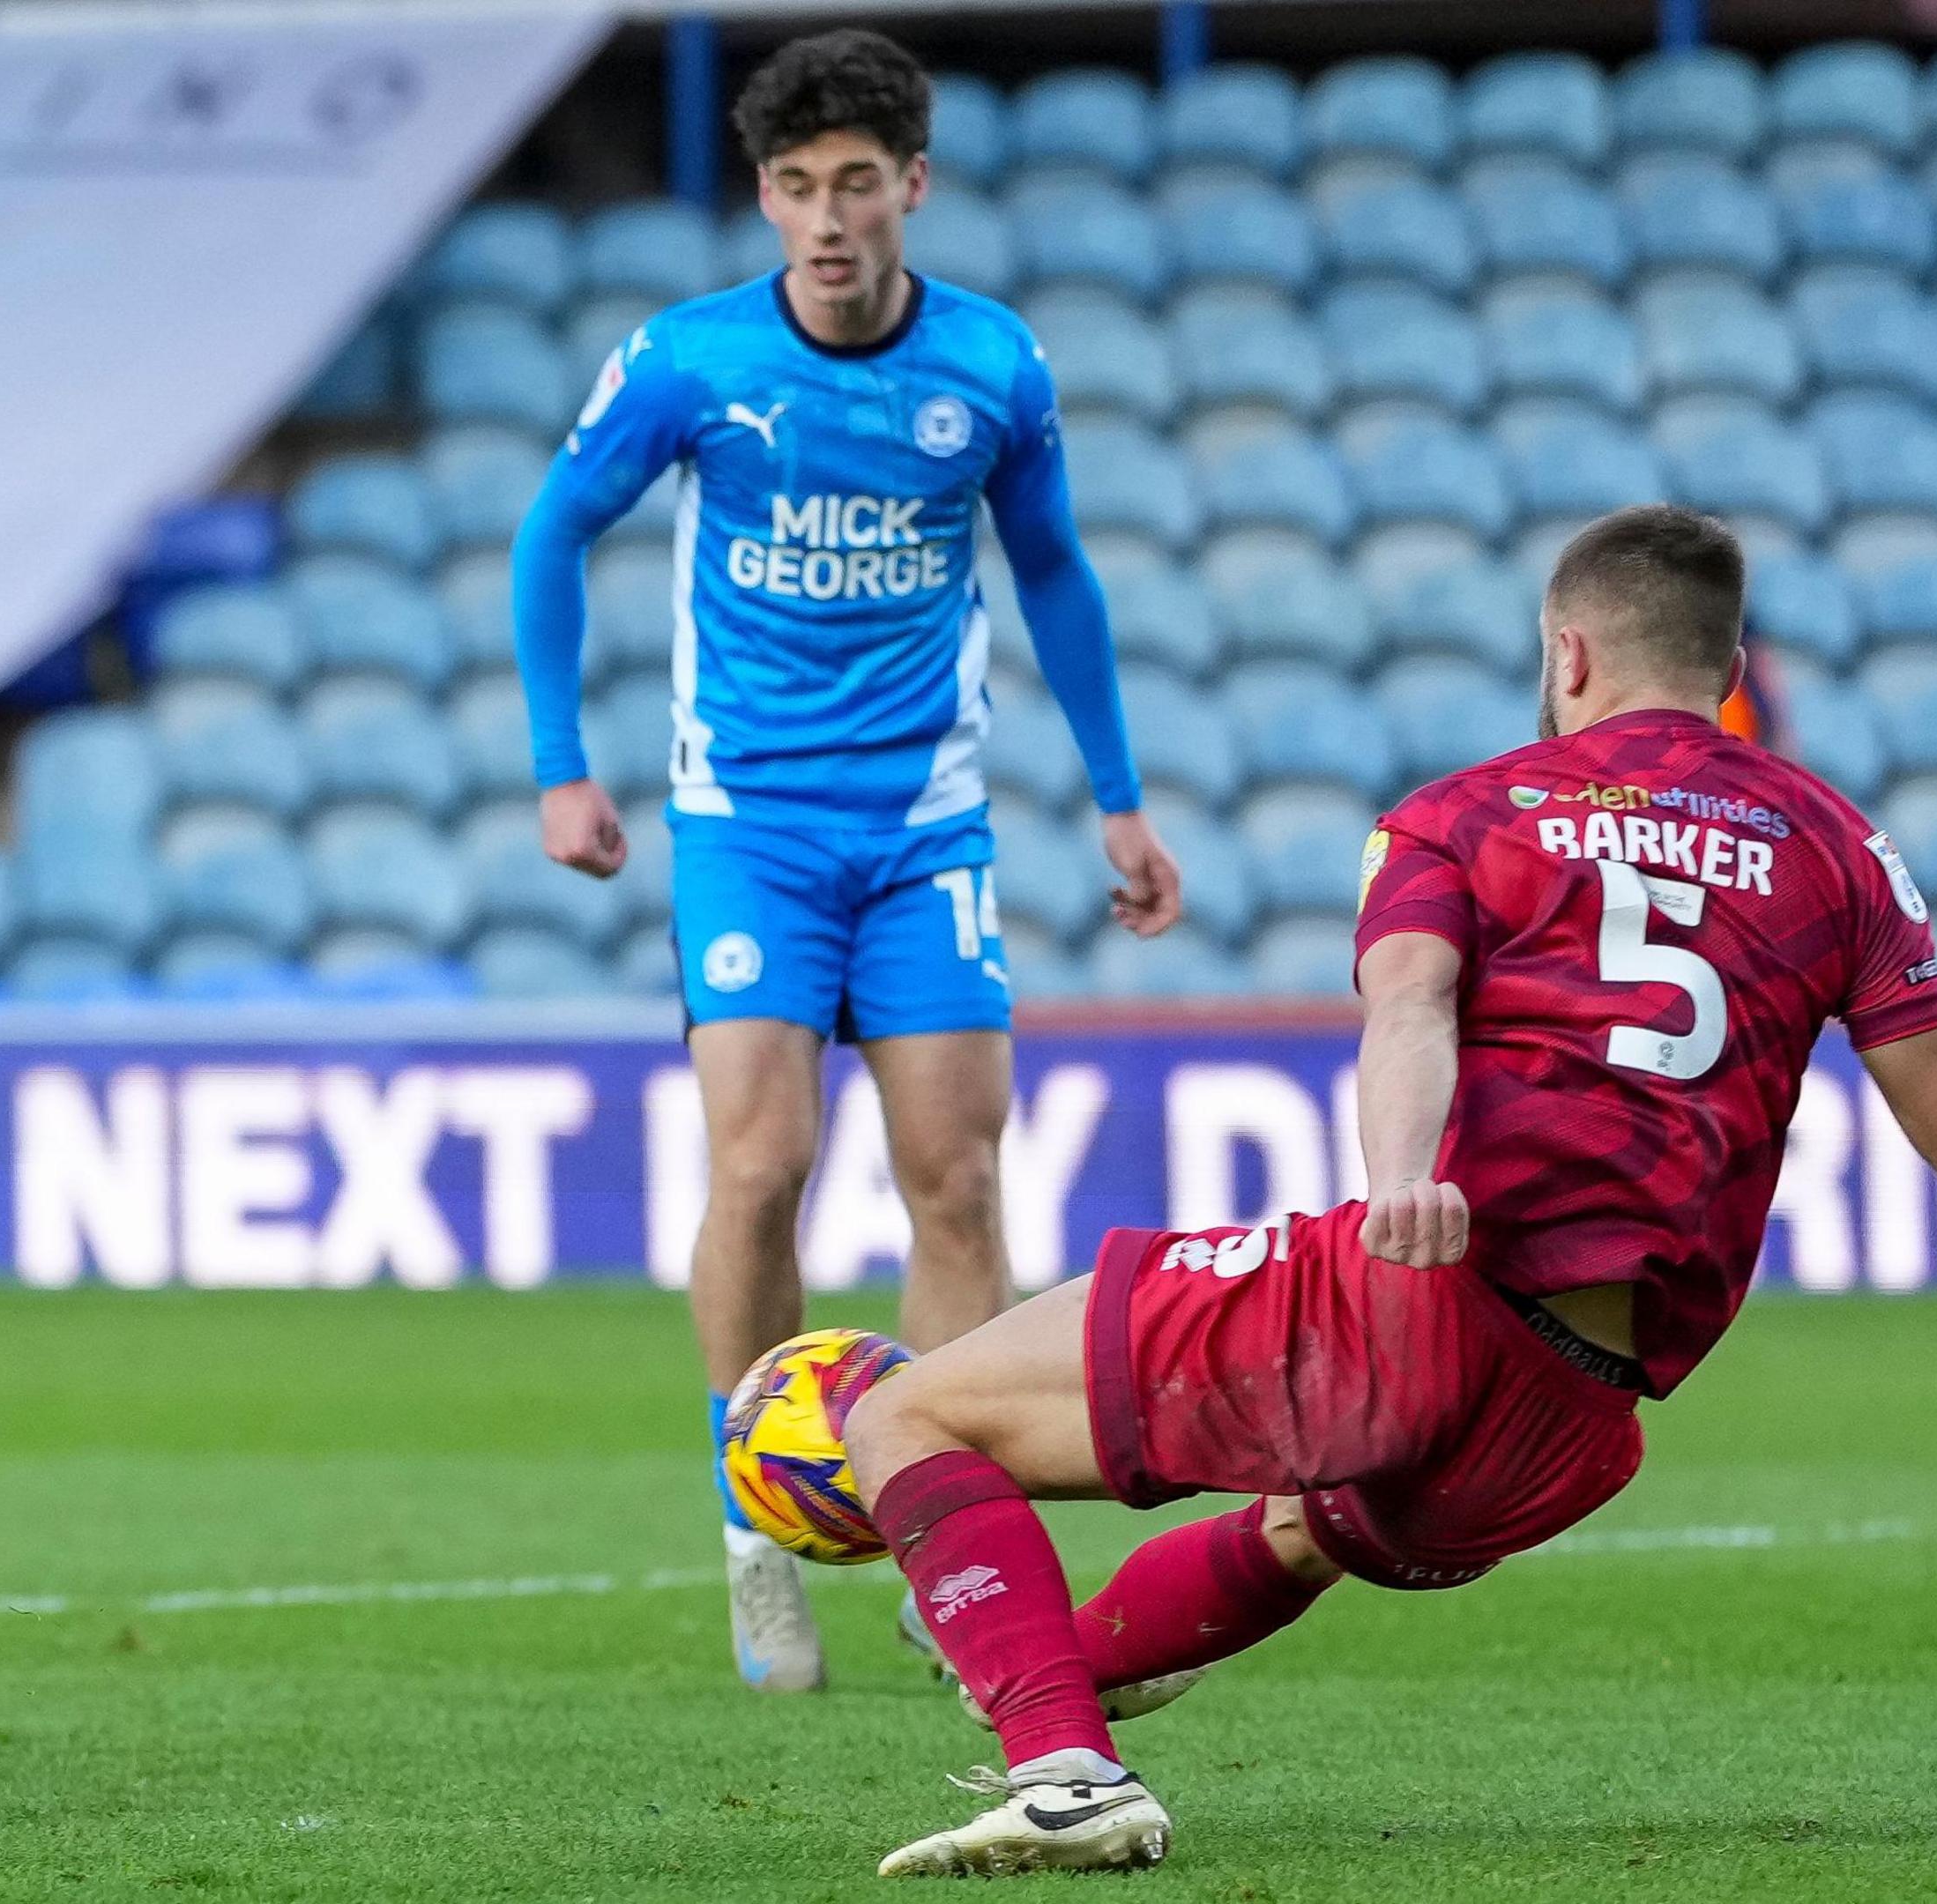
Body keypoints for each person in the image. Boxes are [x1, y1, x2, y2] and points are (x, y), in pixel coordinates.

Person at [768, 504, 1937, 1875]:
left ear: (1566, 653)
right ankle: (1053, 1673)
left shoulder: (1472, 813)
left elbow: (1413, 1009)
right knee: (1302, 1528)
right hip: (1574, 1425)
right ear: (1726, 662)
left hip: (1429, 1298)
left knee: (906, 1410)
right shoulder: (1837, 847)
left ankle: (1068, 1773)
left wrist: (1408, 1176)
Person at [506, 28, 1181, 1695]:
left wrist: (1116, 795)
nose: (827, 216)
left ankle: (955, 1538)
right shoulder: (687, 361)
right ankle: (759, 1522)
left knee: (954, 1173)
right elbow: (551, 533)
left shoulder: (994, 369)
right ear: (763, 195)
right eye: (797, 187)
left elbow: (1058, 577)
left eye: (857, 184)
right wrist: (558, 770)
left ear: (912, 189)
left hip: (928, 826)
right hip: (746, 825)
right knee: (761, 1162)